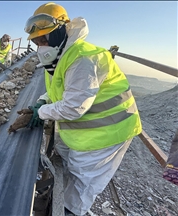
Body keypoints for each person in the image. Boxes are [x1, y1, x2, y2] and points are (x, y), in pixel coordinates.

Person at [23, 2, 142, 215]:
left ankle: (68, 211)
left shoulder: (83, 58)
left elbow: (73, 107)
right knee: (66, 168)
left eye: (44, 38)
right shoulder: (60, 56)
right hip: (82, 131)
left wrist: (40, 113)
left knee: (82, 186)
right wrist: (42, 101)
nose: (41, 46)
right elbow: (56, 89)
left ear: (60, 32)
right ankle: (51, 201)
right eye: (36, 41)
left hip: (107, 133)